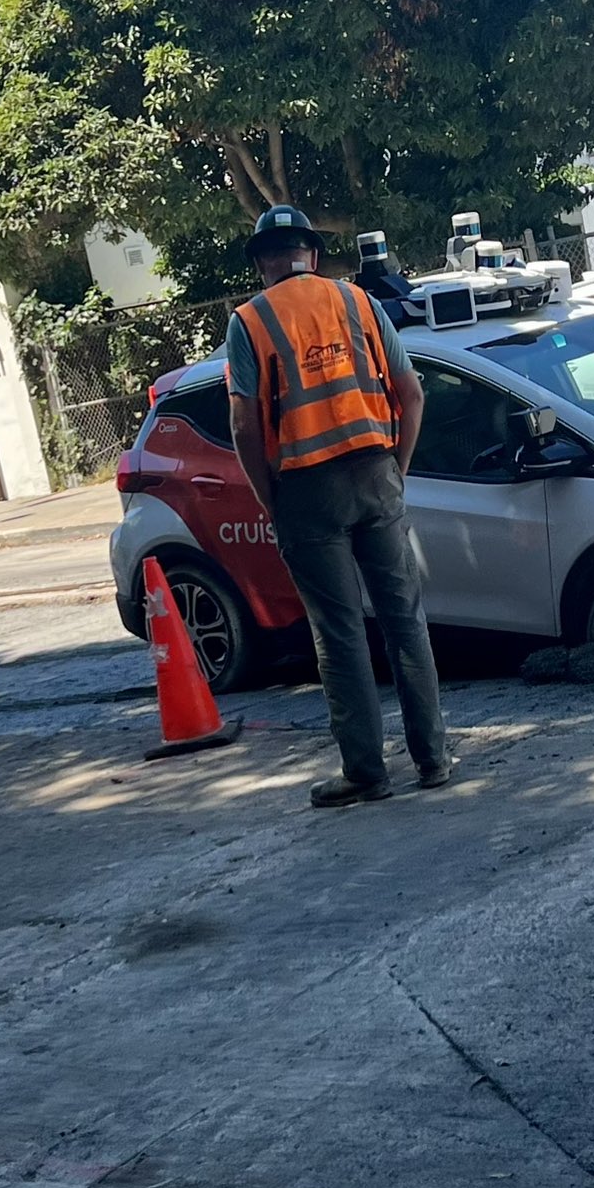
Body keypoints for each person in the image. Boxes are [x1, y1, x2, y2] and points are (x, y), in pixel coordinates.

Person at [226, 204, 452, 809]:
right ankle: (432, 760)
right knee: (405, 621)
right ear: (313, 255)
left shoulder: (250, 321)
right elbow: (411, 393)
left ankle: (366, 771)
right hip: (376, 473)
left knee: (339, 632)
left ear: (262, 263)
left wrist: (270, 499)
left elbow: (244, 426)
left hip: (305, 490)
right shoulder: (359, 302)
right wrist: (396, 470)